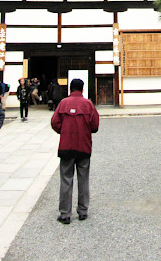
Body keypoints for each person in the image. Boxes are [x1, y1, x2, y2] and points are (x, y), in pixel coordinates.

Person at [50, 78, 100, 225]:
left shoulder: (63, 103)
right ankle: (83, 211)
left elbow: (54, 122)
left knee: (66, 179)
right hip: (83, 146)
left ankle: (65, 213)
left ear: (70, 89)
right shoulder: (88, 104)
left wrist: (64, 131)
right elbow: (95, 126)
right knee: (83, 179)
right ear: (82, 89)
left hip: (66, 146)